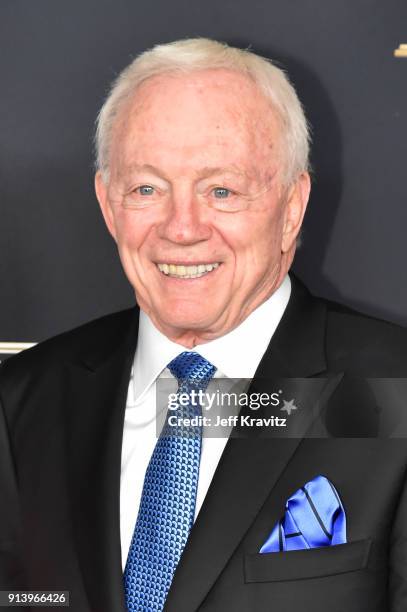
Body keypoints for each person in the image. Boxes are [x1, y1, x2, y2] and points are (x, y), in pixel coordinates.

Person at [0, 37, 407, 612]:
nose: (183, 227)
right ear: (108, 204)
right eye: (147, 188)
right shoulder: (23, 402)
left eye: (221, 190)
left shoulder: (397, 393)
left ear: (291, 208)